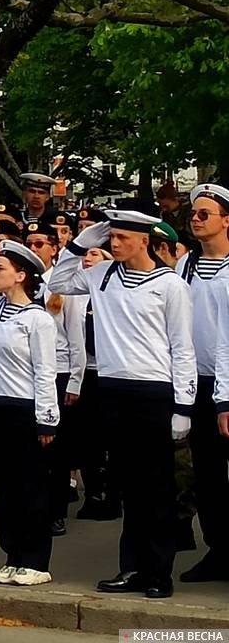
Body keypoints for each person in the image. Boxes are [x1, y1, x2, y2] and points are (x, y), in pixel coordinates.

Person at [52, 209, 196, 599]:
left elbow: (183, 348)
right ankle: (131, 567)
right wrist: (82, 242)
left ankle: (159, 572)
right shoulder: (101, 276)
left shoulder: (169, 284)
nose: (114, 244)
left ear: (144, 240)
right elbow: (58, 280)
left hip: (153, 391)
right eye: (110, 237)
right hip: (113, 390)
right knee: (128, 485)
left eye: (122, 238)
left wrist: (183, 406)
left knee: (157, 487)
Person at [0, 240, 61, 585]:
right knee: (7, 488)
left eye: (0, 268)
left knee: (32, 487)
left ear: (21, 275)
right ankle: (12, 555)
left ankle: (36, 560)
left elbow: (46, 371)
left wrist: (46, 418)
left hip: (26, 409)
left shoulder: (37, 318)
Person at [179, 183, 229, 583]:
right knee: (208, 475)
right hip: (197, 383)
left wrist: (225, 399)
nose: (195, 220)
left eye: (205, 214)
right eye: (193, 214)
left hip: (227, 389)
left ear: (226, 220)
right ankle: (219, 549)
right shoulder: (185, 266)